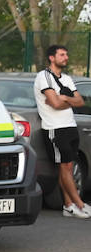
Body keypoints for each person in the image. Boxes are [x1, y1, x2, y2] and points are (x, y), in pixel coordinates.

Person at [36, 43, 89, 218]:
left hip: (70, 127)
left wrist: (65, 97)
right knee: (65, 166)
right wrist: (66, 101)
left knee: (67, 167)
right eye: (62, 55)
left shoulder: (66, 78)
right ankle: (80, 204)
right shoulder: (43, 77)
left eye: (66, 54)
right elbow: (55, 104)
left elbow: (80, 101)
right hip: (55, 129)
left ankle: (68, 205)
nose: (66, 57)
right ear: (52, 58)